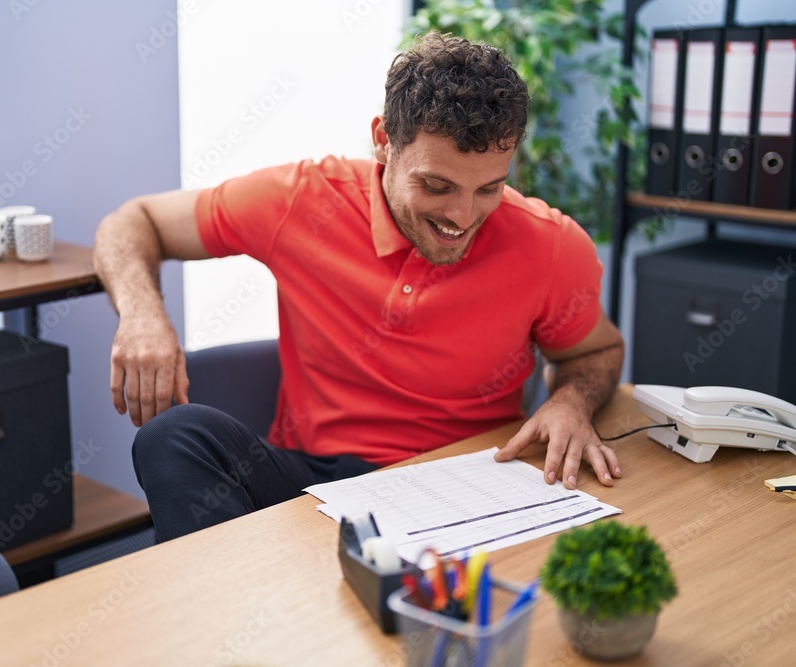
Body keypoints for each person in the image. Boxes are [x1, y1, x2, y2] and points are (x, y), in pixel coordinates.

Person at [94, 32, 625, 542]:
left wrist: (571, 402)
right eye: (436, 185)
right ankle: (229, 597)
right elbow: (133, 221)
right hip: (315, 482)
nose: (463, 216)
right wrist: (142, 315)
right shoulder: (302, 200)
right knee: (173, 437)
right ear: (383, 141)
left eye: (489, 188)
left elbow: (596, 351)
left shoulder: (551, 244)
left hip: (467, 484)